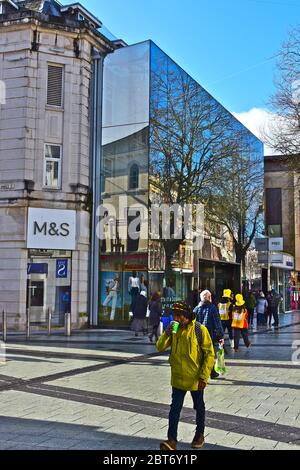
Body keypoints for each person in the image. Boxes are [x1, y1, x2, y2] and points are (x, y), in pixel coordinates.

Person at [157, 302, 215, 451]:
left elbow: (209, 354)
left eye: (179, 315)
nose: (176, 318)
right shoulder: (175, 328)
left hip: (195, 378)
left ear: (187, 315)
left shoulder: (199, 330)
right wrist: (167, 333)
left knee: (199, 407)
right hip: (178, 377)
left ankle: (199, 434)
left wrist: (204, 377)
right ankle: (171, 440)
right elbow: (160, 347)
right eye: (174, 315)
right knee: (174, 409)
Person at [194, 290, 224, 379]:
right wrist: (220, 336)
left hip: (198, 335)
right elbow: (217, 323)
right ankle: (210, 372)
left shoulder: (196, 308)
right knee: (209, 354)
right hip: (209, 335)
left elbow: (192, 322)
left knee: (201, 354)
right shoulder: (212, 308)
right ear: (209, 298)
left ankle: (210, 372)